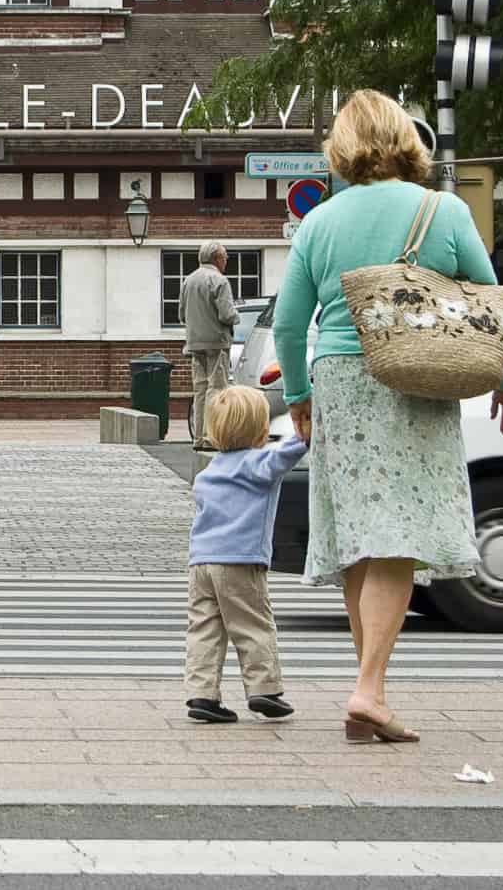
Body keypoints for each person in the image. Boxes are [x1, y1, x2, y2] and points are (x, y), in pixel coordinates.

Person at [273, 89, 503, 745]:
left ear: (342, 147)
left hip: (338, 379)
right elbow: (489, 302)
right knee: (397, 533)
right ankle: (369, 689)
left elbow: (290, 319)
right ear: (405, 141)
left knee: (362, 532)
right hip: (414, 374)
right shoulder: (442, 210)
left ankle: (370, 690)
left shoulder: (320, 222)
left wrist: (299, 396)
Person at [184, 385, 307, 724]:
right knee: (253, 625)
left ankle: (202, 694)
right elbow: (289, 453)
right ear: (260, 430)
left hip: (201, 564)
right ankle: (263, 690)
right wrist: (308, 429)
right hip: (240, 560)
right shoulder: (258, 463)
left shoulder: (208, 472)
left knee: (204, 628)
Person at [181, 240, 241, 449]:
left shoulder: (188, 281)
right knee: (216, 389)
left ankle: (198, 437)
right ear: (216, 258)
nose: (226, 262)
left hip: (195, 343)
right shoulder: (219, 280)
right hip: (217, 342)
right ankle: (210, 437)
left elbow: (181, 315)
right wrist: (236, 316)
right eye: (225, 258)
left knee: (200, 390)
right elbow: (226, 314)